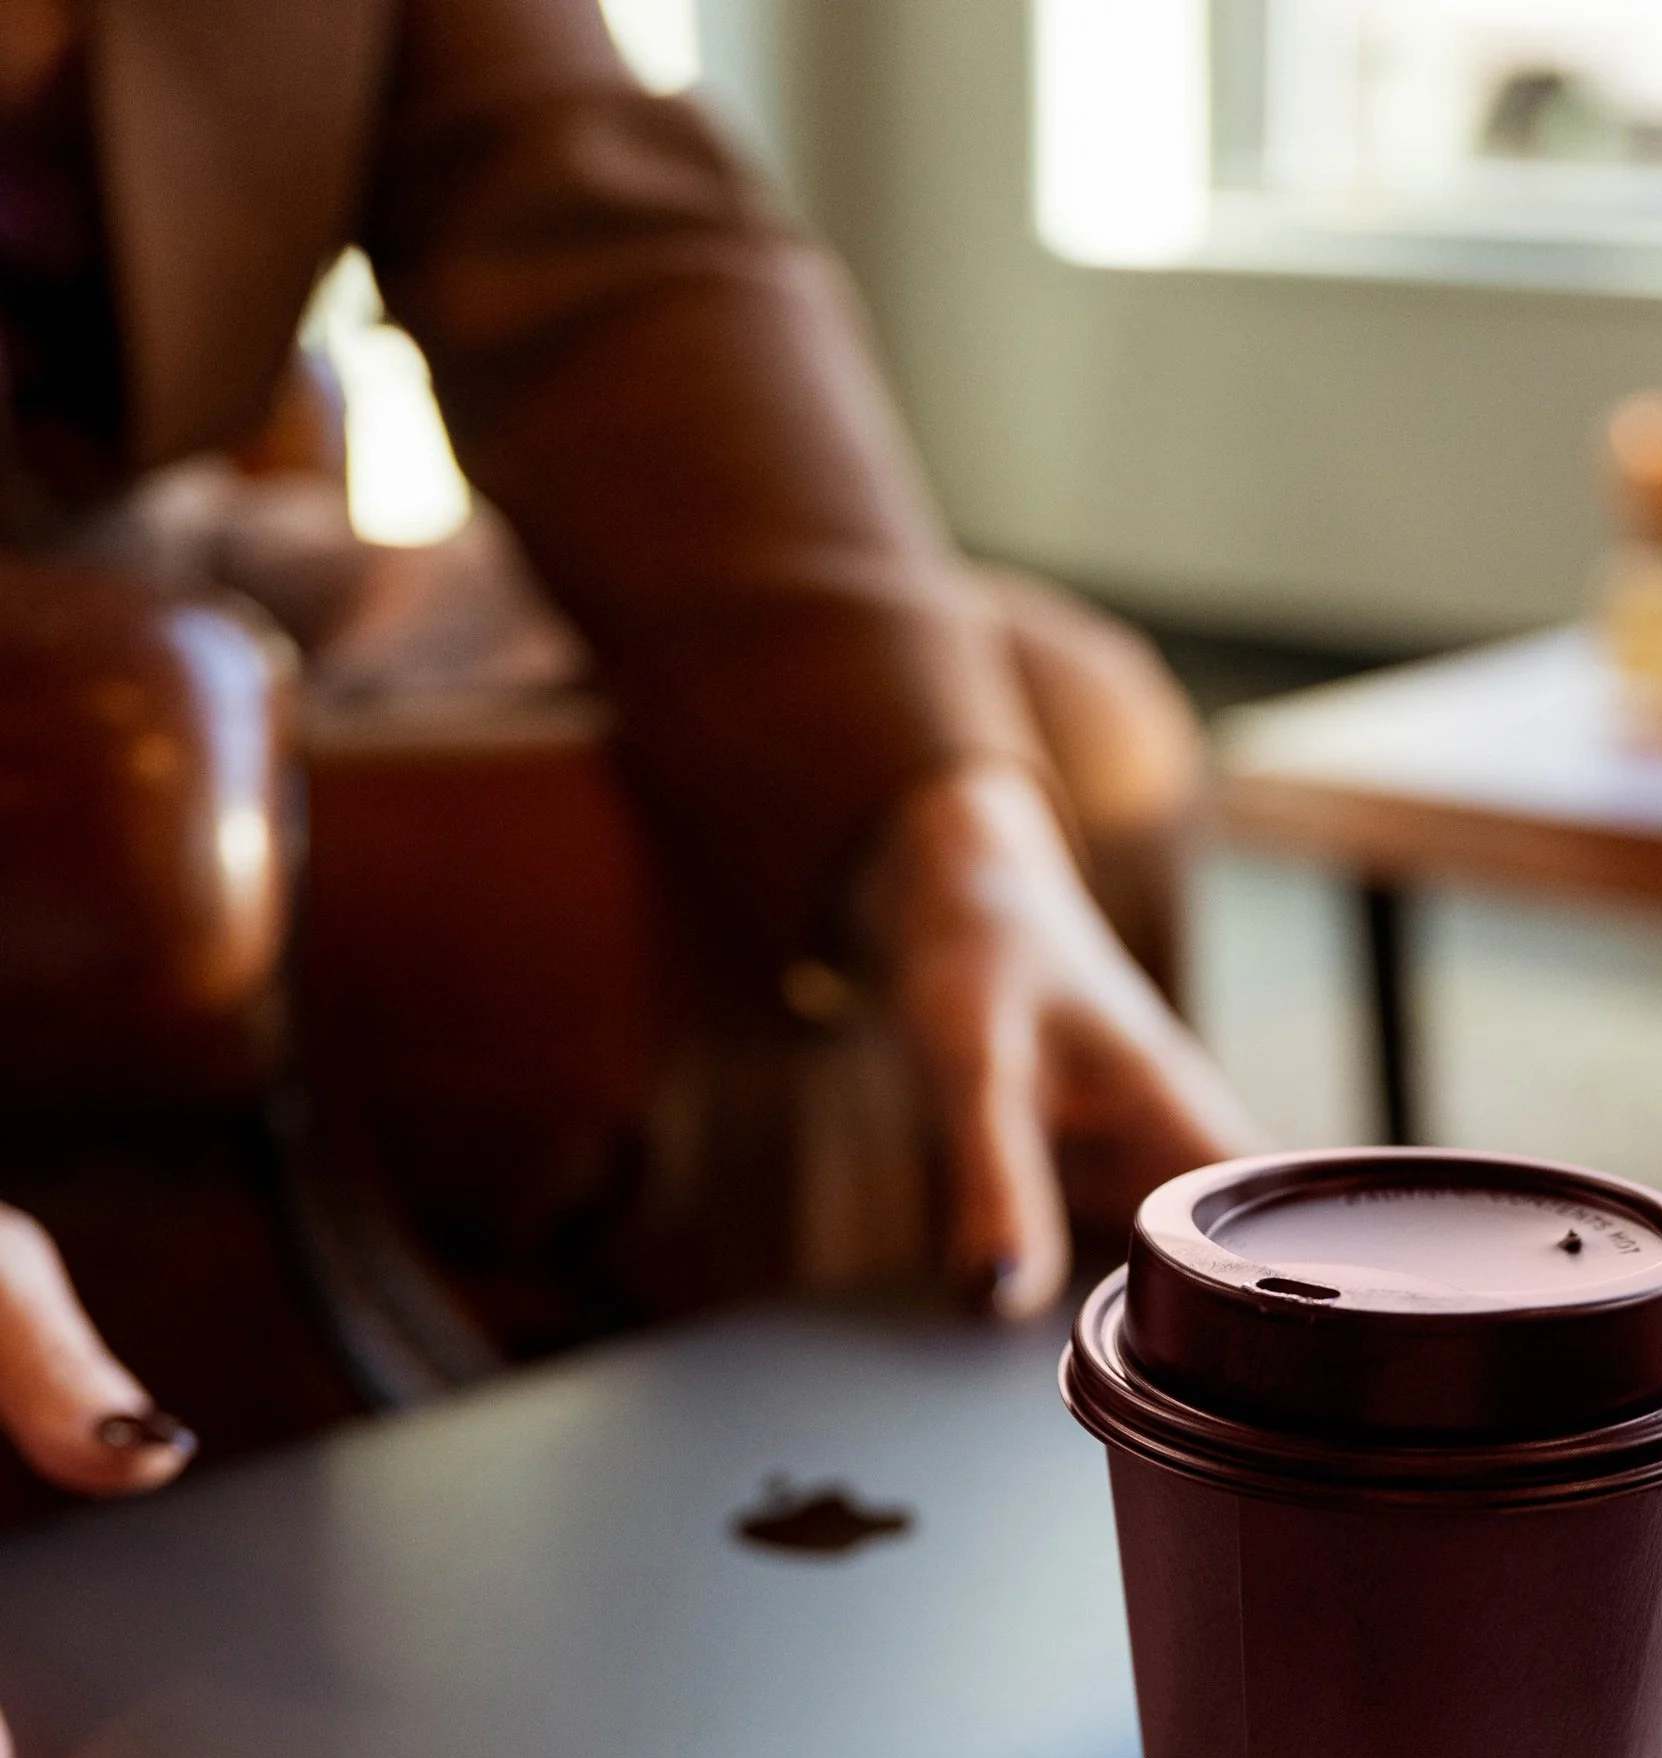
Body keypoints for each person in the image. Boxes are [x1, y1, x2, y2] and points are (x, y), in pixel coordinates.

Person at [0, 0, 1255, 1518]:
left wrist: (950, 834)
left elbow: (597, 231)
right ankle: (760, 1575)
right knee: (579, 915)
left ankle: (997, 1546)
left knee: (1054, 724)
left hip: (152, 548)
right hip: (78, 690)